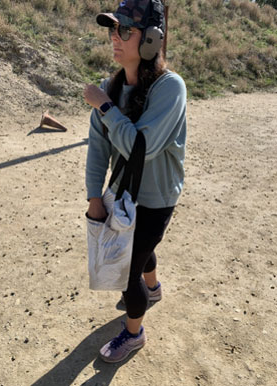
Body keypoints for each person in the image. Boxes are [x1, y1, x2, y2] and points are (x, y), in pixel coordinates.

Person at [83, 0, 186, 363]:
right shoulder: (107, 87)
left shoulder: (170, 88)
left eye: (125, 30)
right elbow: (97, 150)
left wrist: (106, 107)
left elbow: (142, 147)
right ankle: (154, 288)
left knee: (128, 271)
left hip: (157, 198)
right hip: (124, 193)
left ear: (151, 40)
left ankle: (134, 333)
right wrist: (94, 198)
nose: (115, 37)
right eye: (113, 29)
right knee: (139, 248)